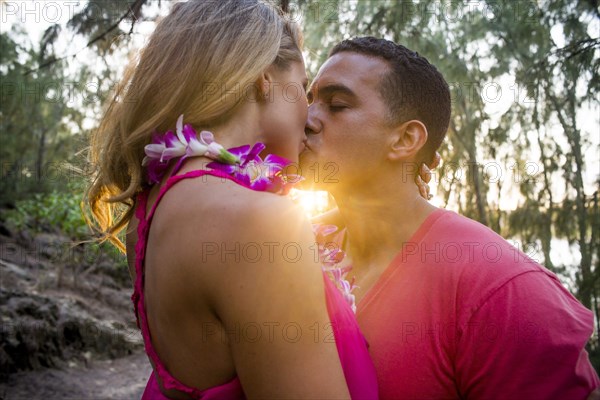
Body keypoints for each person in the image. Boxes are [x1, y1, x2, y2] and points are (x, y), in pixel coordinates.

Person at [84, 2, 386, 399]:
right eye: (303, 87)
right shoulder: (261, 222)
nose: (310, 115)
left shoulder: (152, 208)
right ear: (263, 81)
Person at [301, 36, 600, 399]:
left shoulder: (502, 291)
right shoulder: (300, 246)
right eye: (308, 100)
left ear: (405, 139)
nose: (306, 119)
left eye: (336, 105)